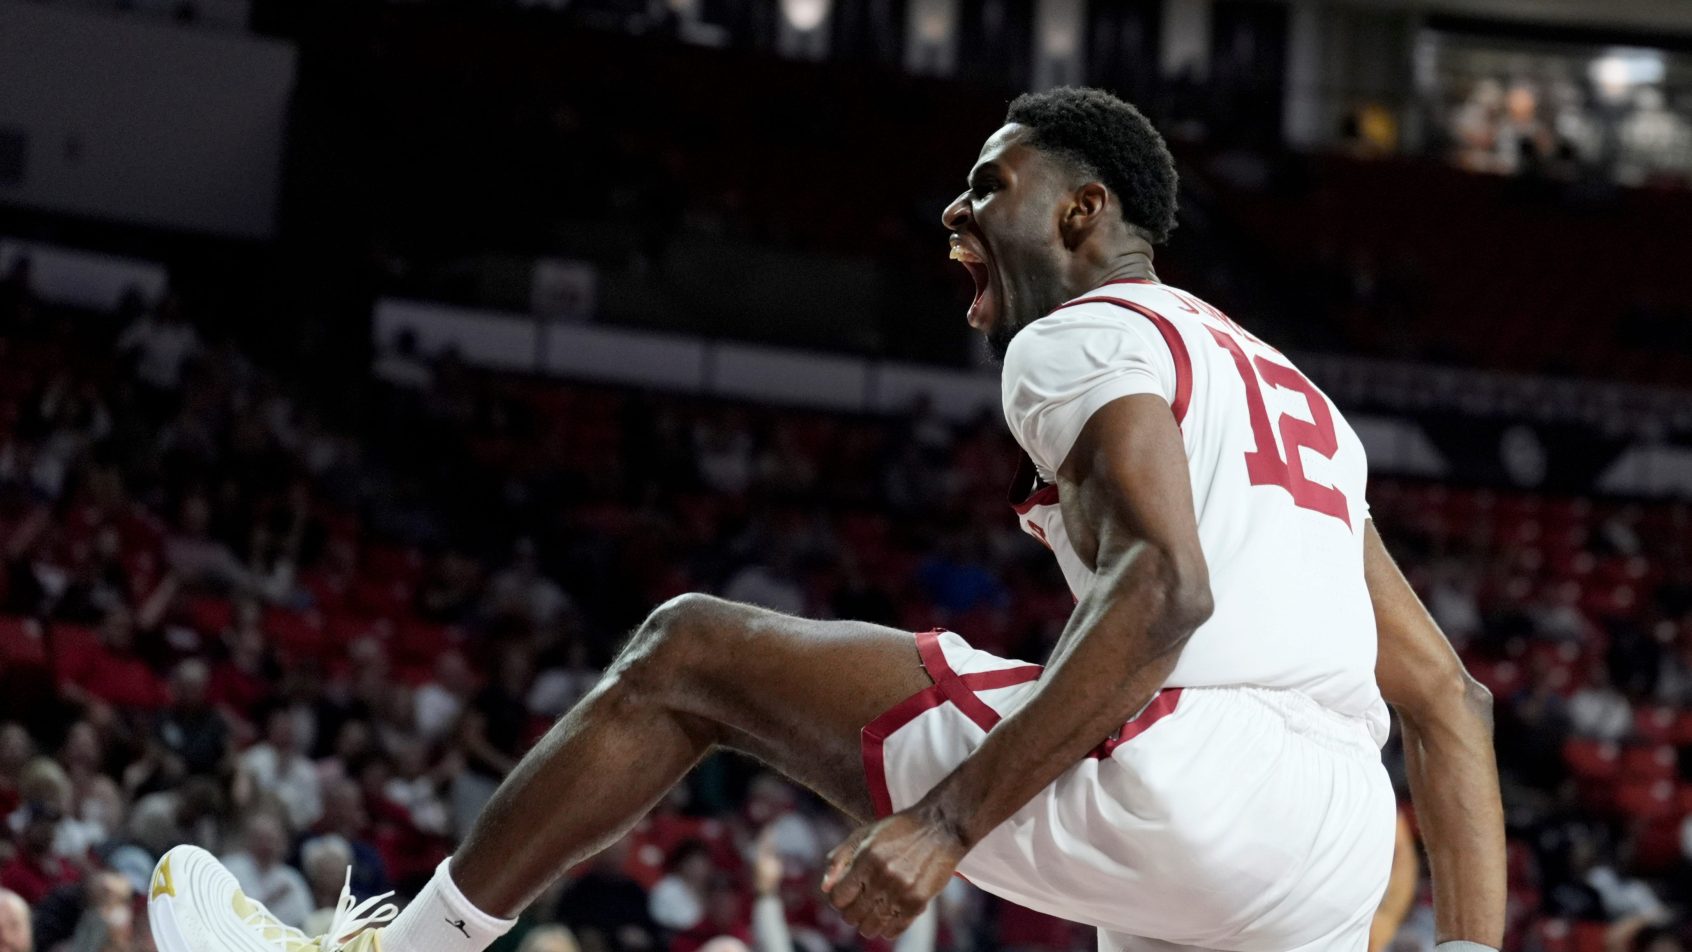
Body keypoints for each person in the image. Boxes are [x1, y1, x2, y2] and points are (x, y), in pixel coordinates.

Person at [147, 86, 1505, 952]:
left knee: (687, 654)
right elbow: (1449, 700)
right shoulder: (1302, 400)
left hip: (1200, 781)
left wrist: (947, 824)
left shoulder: (1081, 335)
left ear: (1086, 212)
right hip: (1329, 856)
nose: (957, 209)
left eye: (993, 184)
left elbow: (1165, 590)